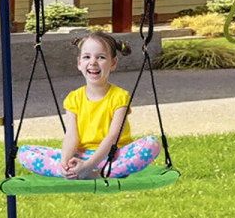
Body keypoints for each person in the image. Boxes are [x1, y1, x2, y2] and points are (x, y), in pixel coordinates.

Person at [16, 32, 161, 181]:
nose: (93, 62)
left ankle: (96, 174)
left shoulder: (119, 97)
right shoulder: (73, 98)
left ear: (113, 63)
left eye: (101, 57)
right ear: (79, 63)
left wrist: (89, 165)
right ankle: (68, 173)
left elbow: (112, 137)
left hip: (113, 155)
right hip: (81, 155)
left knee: (152, 144)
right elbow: (71, 136)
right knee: (24, 152)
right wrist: (65, 162)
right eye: (87, 57)